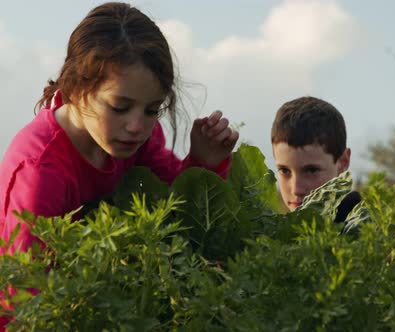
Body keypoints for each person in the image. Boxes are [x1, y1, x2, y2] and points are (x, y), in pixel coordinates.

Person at [0, 2, 239, 258]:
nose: (137, 126)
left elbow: (176, 210)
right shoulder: (40, 172)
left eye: (152, 110)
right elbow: (24, 291)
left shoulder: (136, 138)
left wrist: (204, 162)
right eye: (119, 107)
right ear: (76, 88)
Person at [271, 96, 359, 221]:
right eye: (284, 171)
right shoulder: (273, 233)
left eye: (311, 171)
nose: (296, 189)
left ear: (342, 162)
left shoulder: (369, 234)